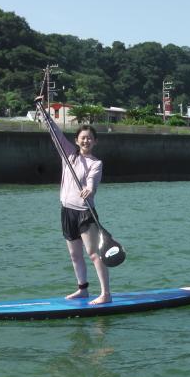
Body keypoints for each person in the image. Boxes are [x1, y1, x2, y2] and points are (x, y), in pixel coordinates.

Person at [39, 99, 111, 304]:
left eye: (90, 138)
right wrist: (43, 111)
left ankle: (106, 294)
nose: (86, 141)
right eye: (83, 138)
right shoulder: (68, 154)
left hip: (85, 212)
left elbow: (92, 182)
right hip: (67, 211)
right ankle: (83, 290)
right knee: (74, 255)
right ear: (77, 141)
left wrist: (89, 189)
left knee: (93, 253)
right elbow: (56, 133)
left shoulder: (96, 163)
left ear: (95, 142)